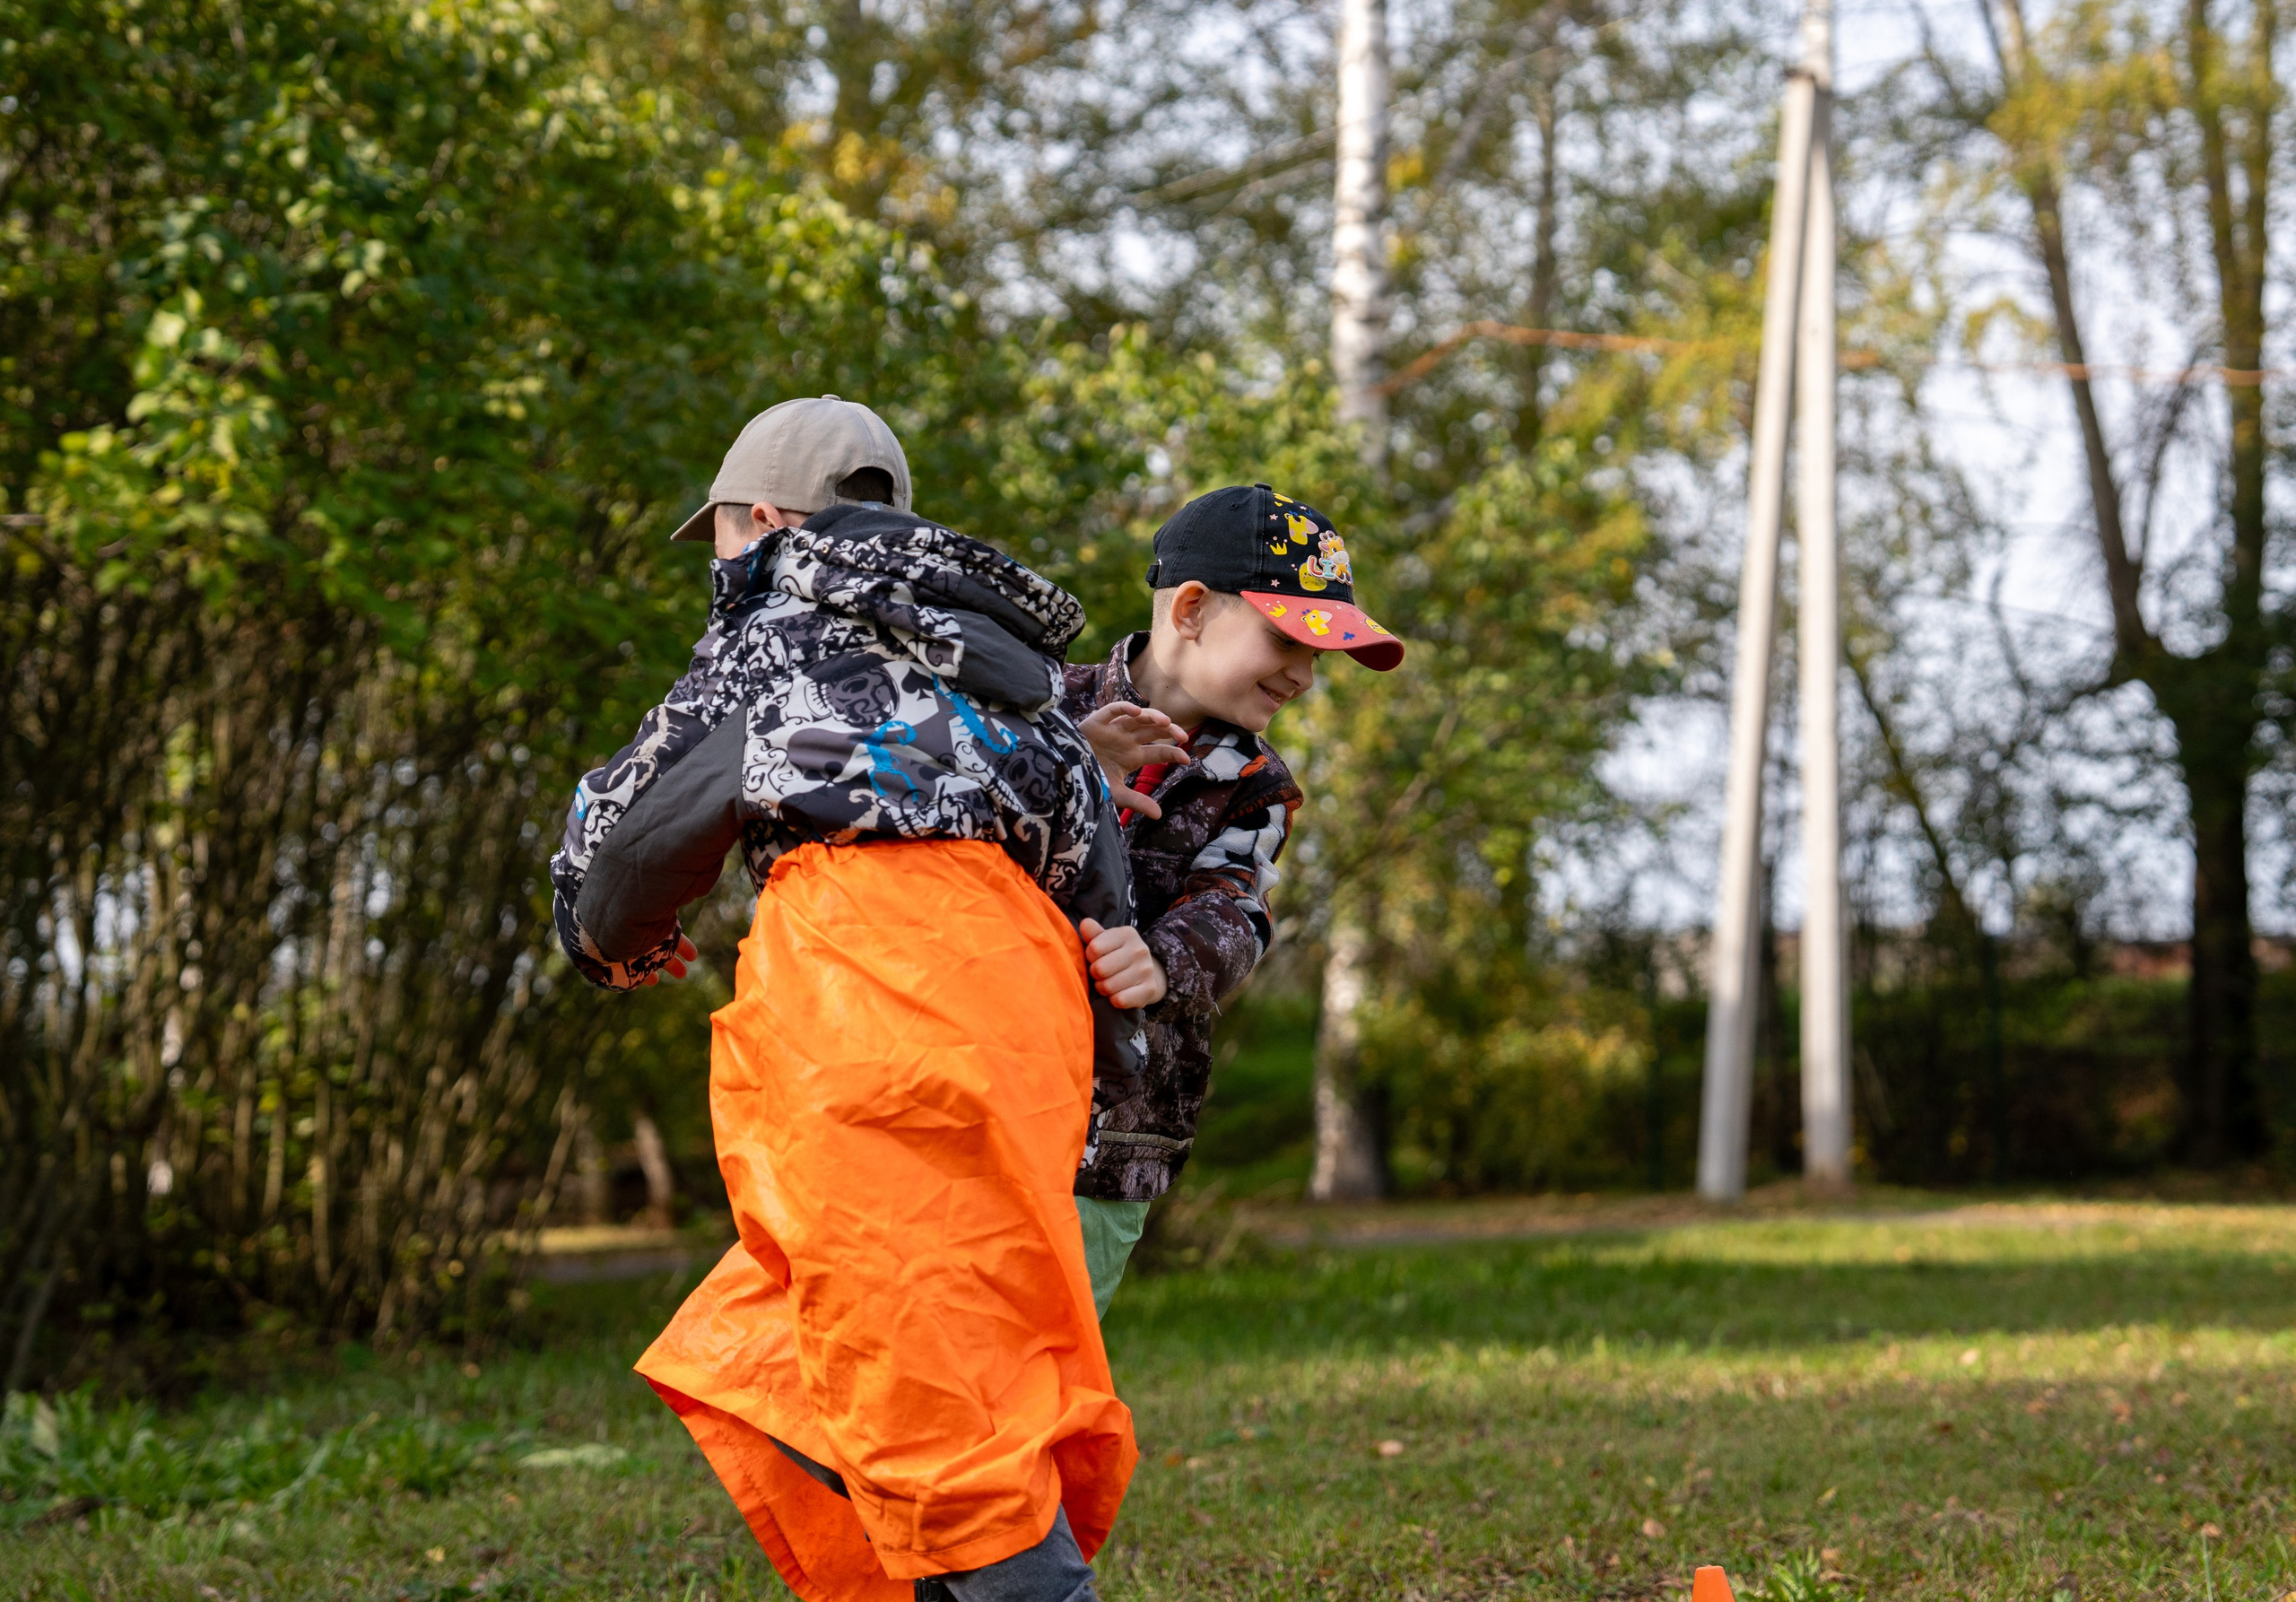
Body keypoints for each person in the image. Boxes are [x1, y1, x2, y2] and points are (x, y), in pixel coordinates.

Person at [549, 396, 1150, 1602]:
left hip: (867, 992)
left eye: (719, 538)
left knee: (918, 1359)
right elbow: (1096, 865)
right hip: (1028, 1008)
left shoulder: (767, 638)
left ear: (763, 521)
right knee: (835, 1324)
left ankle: (1013, 1578)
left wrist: (616, 942)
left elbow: (627, 837)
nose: (718, 566)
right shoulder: (1010, 661)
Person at [1063, 484, 1405, 1313]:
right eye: (1290, 640)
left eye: (1321, 655)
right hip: (979, 1100)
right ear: (1189, 609)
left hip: (1110, 1137)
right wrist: (1070, 761)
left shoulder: (1254, 787)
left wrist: (1162, 960)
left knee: (1047, 1372)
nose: (1305, 676)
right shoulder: (1035, 711)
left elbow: (1236, 908)